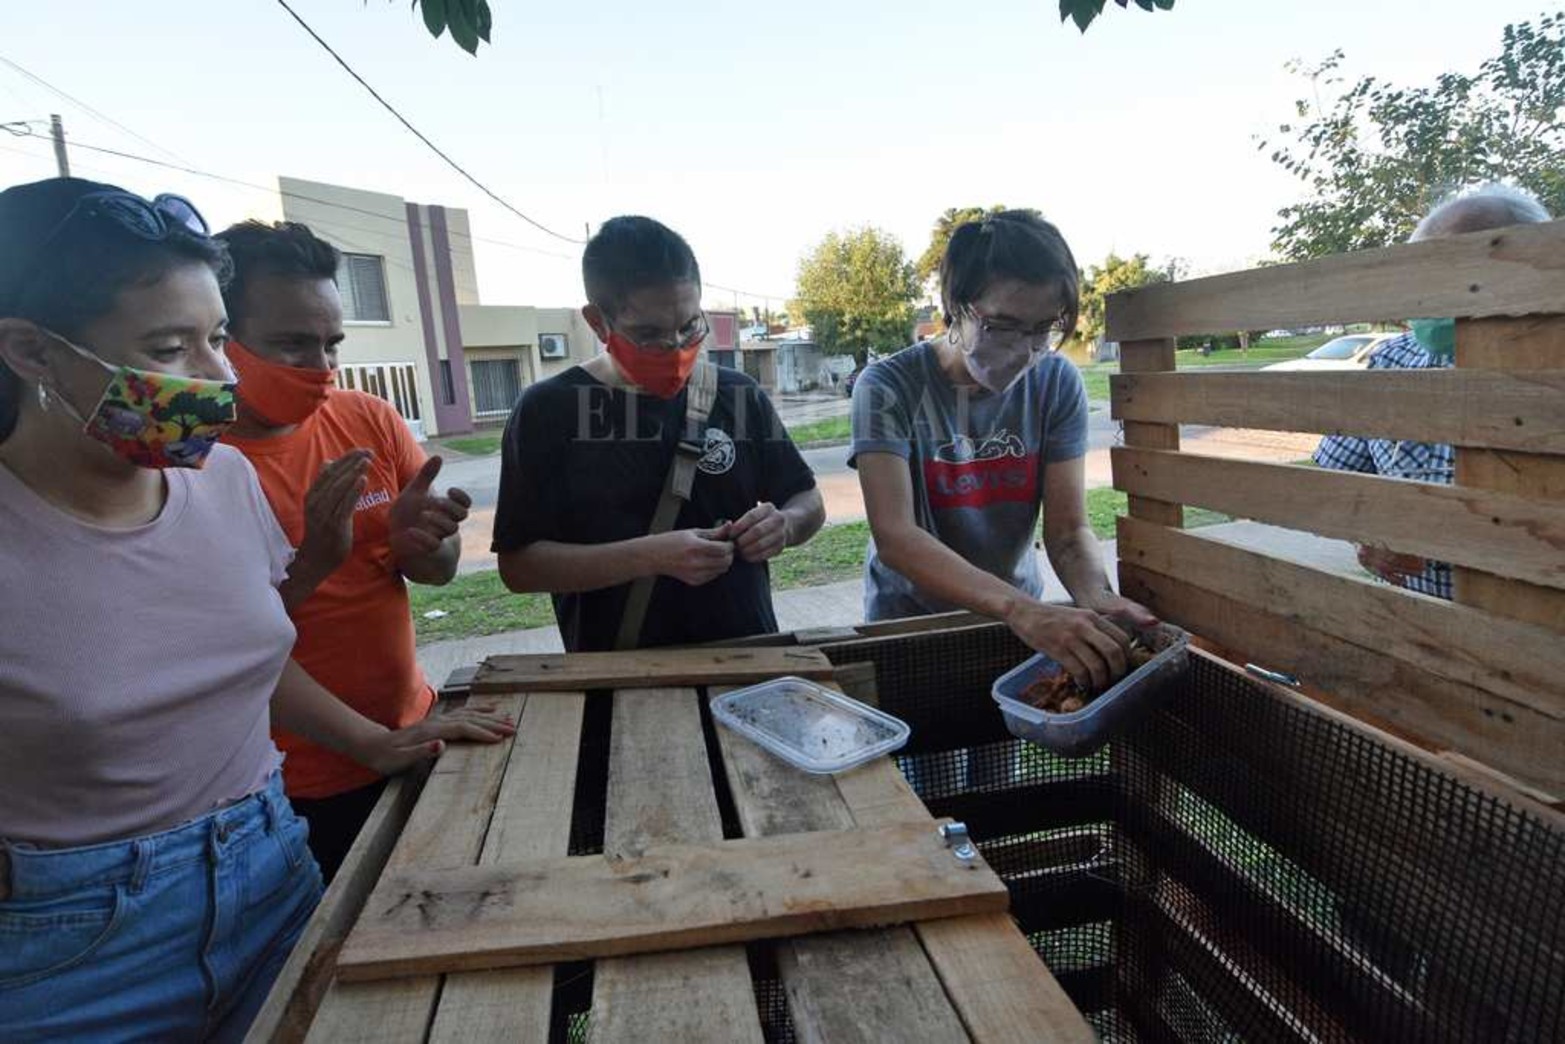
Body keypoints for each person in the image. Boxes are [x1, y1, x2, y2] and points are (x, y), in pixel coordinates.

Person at [0, 179, 510, 1040]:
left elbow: (249, 652)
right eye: (170, 347)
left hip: (269, 869)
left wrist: (373, 741)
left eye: (216, 340)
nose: (218, 378)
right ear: (31, 351)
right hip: (73, 939)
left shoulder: (221, 479)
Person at [217, 220, 482, 882]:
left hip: (409, 735)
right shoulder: (195, 462)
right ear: (220, 337)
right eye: (291, 345)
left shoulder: (366, 417)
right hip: (285, 786)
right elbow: (219, 647)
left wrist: (425, 544)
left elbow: (437, 573)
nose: (320, 369)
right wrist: (314, 559)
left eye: (331, 344)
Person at [851, 210, 1154, 693]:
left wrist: (1096, 596)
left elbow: (1068, 531)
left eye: (1042, 329)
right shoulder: (887, 387)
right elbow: (897, 537)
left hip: (1016, 624)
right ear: (956, 305)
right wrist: (1021, 609)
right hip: (913, 626)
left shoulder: (1057, 382)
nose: (1023, 350)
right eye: (1002, 326)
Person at [493, 215, 825, 651]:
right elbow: (519, 567)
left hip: (751, 657)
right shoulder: (548, 410)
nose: (677, 349)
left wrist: (785, 525)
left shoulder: (738, 394)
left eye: (689, 327)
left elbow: (808, 501)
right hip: (623, 671)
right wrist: (651, 556)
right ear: (597, 322)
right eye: (649, 335)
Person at [1313, 184, 1552, 599]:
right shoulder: (1391, 362)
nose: (1430, 293)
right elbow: (1333, 478)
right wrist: (1366, 532)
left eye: (1454, 270)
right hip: (1420, 620)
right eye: (1424, 273)